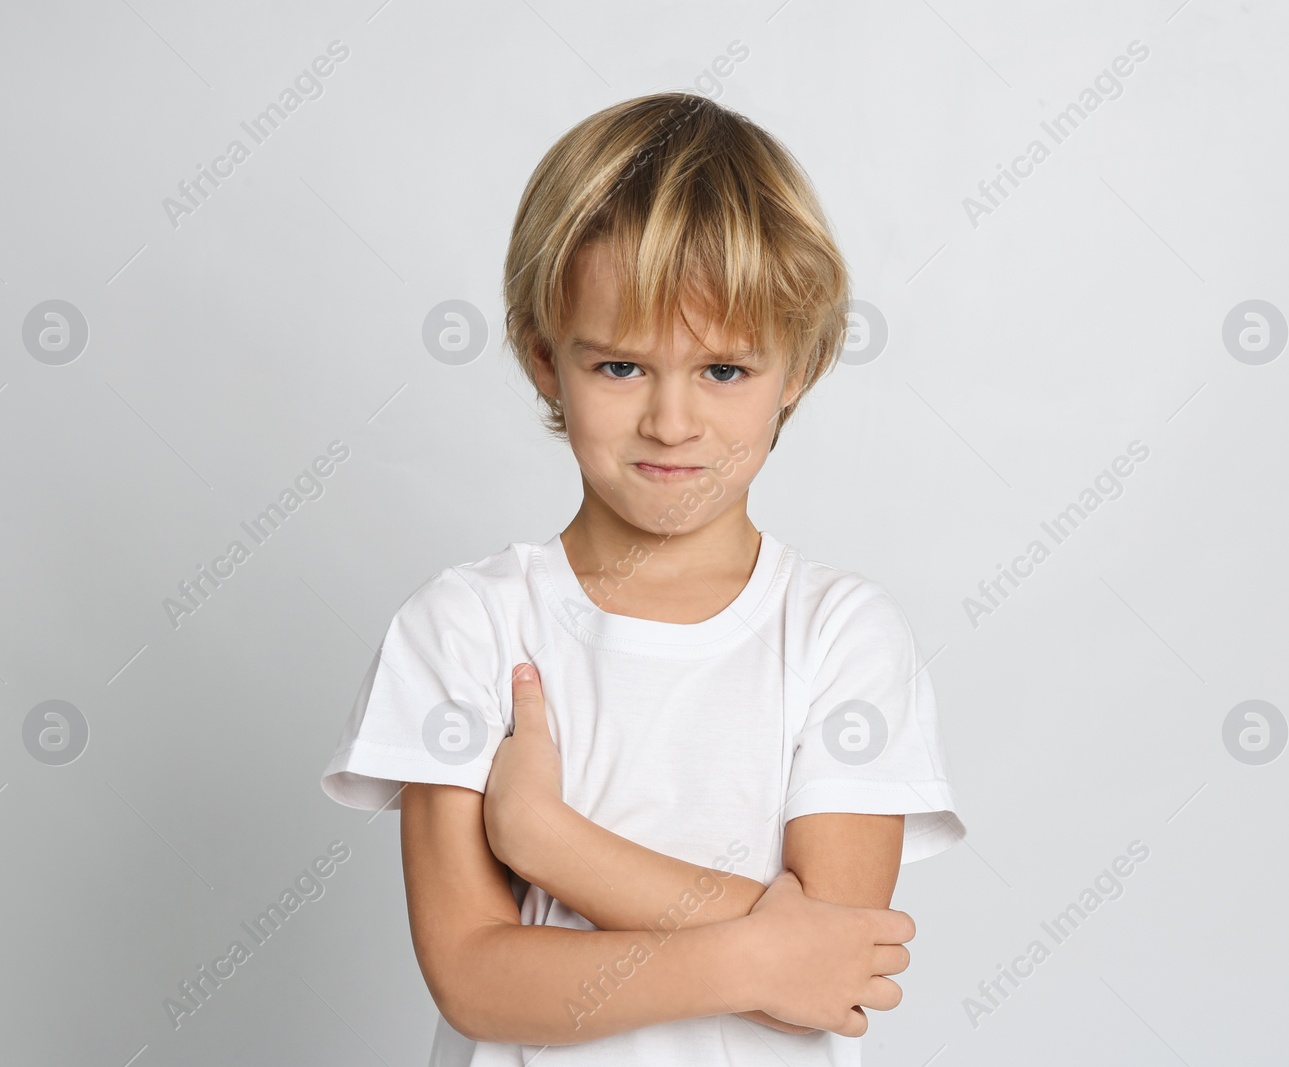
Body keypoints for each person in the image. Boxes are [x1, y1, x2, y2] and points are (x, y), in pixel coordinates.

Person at [320, 89, 967, 1065]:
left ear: (797, 366)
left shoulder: (841, 635)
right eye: (621, 368)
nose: (671, 421)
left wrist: (544, 836)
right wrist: (756, 950)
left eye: (723, 370)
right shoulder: (463, 628)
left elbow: (825, 973)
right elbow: (475, 978)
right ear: (545, 357)